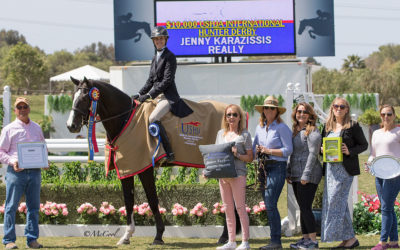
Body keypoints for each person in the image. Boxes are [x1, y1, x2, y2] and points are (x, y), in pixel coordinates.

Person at [132, 26, 193, 162]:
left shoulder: (170, 57)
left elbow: (166, 81)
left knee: (153, 119)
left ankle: (168, 152)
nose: (159, 41)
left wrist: (149, 95)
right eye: (156, 39)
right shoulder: (155, 58)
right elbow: (150, 81)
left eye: (161, 38)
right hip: (157, 97)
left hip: (168, 97)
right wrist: (138, 93)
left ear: (165, 40)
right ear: (153, 41)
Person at [320, 97, 368, 248]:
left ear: (347, 109)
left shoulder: (352, 126)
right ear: (332, 108)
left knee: (335, 200)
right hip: (330, 170)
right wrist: (322, 151)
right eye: (336, 106)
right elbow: (323, 146)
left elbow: (364, 145)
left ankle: (335, 235)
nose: (338, 109)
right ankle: (350, 239)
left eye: (342, 106)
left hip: (345, 170)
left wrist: (350, 151)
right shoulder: (327, 126)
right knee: (339, 203)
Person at [0, 97, 47, 249]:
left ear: (29, 109)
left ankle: (32, 240)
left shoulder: (37, 128)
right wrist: (12, 162)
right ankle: (9, 240)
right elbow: (1, 151)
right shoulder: (9, 129)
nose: (22, 110)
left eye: (24, 107)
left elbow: (42, 148)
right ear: (15, 110)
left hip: (34, 172)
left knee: (33, 207)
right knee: (11, 206)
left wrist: (45, 161)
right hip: (16, 172)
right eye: (19, 107)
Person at [253, 96, 293, 250]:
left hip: (277, 167)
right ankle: (274, 241)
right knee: (269, 204)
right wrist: (256, 150)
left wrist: (268, 150)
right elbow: (255, 146)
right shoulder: (259, 128)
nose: (269, 110)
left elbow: (288, 150)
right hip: (263, 167)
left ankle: (276, 241)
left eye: (272, 108)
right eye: (266, 108)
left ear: (277, 111)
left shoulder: (282, 128)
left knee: (270, 203)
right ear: (263, 110)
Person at [215, 104, 253, 250]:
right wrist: (210, 170)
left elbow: (250, 157)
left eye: (234, 114)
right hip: (223, 175)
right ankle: (231, 241)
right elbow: (215, 154)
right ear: (225, 117)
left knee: (240, 208)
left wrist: (237, 155)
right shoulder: (220, 134)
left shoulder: (245, 135)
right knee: (228, 208)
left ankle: (245, 241)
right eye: (229, 114)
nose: (231, 117)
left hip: (238, 174)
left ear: (239, 117)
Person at [287, 103, 322, 249]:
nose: (301, 114)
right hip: (296, 174)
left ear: (310, 115)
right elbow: (292, 154)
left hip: (309, 174)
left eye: (304, 112)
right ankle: (305, 239)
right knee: (302, 207)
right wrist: (289, 171)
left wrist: (306, 174)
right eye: (299, 111)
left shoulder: (313, 131)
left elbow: (313, 154)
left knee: (306, 207)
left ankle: (313, 241)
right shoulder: (295, 131)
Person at [367, 105, 400, 250]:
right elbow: (373, 154)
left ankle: (382, 242)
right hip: (378, 173)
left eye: (389, 114)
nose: (386, 117)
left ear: (394, 116)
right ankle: (393, 241)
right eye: (383, 114)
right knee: (388, 207)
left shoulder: (398, 132)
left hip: (394, 174)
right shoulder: (376, 133)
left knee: (386, 208)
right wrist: (369, 163)